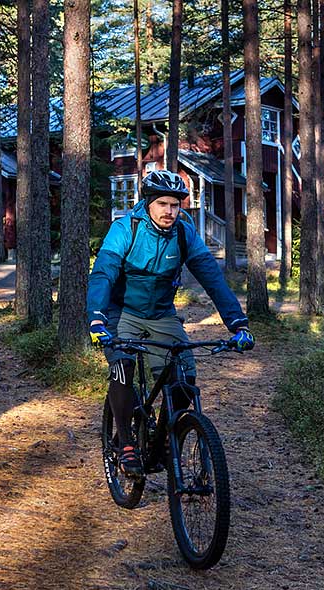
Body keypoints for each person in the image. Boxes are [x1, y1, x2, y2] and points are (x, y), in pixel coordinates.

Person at [87, 169, 254, 477]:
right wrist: (97, 320)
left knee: (185, 378)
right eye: (163, 203)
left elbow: (212, 277)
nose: (169, 211)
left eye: (175, 205)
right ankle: (125, 443)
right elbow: (103, 273)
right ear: (148, 203)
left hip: (161, 313)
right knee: (123, 366)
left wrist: (238, 324)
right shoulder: (126, 229)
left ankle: (163, 438)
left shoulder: (183, 232)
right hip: (119, 311)